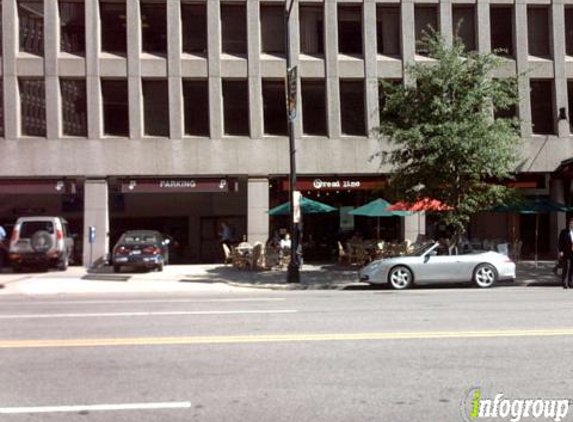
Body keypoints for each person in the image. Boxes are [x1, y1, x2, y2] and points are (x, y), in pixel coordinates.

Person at [558, 218, 573, 289]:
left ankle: (570, 282)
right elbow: (560, 242)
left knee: (572, 268)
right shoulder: (564, 232)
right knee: (566, 267)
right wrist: (561, 251)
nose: (572, 224)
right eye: (571, 223)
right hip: (566, 252)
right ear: (569, 223)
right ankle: (564, 282)